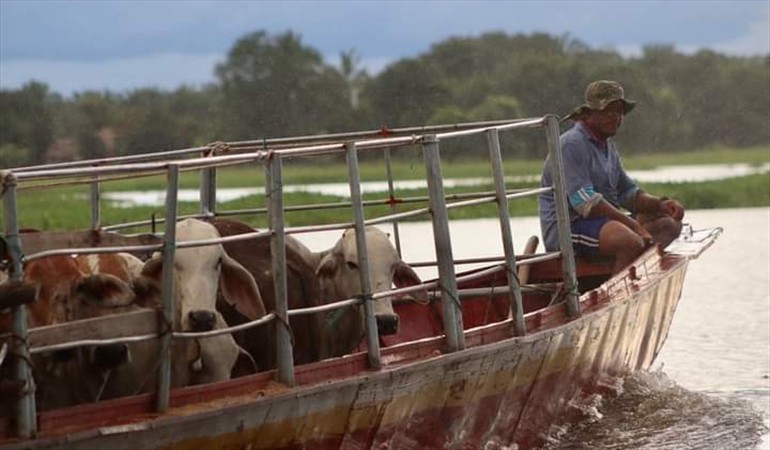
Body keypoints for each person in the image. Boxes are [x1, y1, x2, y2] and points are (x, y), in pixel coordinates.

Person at [539, 80, 685, 274]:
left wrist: (661, 205)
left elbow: (626, 192)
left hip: (603, 224)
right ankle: (617, 289)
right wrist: (633, 226)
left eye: (619, 111)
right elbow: (585, 203)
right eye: (609, 111)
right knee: (628, 241)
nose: (616, 117)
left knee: (669, 224)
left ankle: (641, 275)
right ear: (589, 114)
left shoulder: (607, 146)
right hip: (569, 228)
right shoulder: (571, 144)